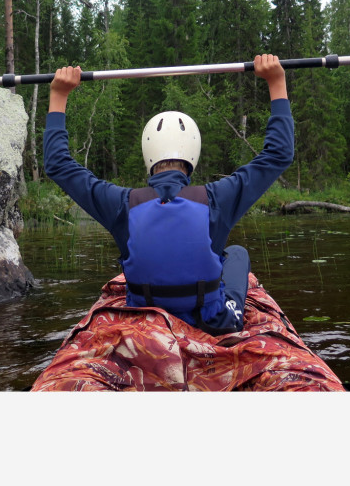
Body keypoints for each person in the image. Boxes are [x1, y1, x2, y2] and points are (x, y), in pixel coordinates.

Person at [43, 53, 293, 335]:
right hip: (213, 324)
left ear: (148, 154)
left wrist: (58, 94)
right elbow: (279, 154)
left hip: (144, 325)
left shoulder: (121, 204)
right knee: (235, 253)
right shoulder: (217, 199)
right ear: (193, 154)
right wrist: (276, 81)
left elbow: (57, 164)